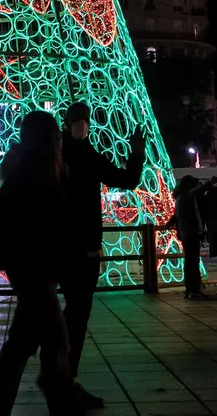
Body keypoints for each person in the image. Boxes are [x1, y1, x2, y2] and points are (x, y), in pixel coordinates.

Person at [0, 110, 75, 416]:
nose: (61, 140)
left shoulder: (37, 172)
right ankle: (60, 399)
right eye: (58, 135)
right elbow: (46, 224)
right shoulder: (36, 175)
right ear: (48, 138)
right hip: (34, 272)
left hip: (32, 271)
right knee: (56, 343)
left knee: (23, 343)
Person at [58, 100, 144, 405]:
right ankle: (62, 379)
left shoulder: (88, 155)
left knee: (75, 314)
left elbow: (127, 180)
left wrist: (136, 153)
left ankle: (64, 377)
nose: (83, 125)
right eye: (77, 120)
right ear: (66, 124)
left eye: (86, 120)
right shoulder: (59, 156)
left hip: (85, 249)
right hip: (70, 250)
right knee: (75, 314)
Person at [173, 175, 208, 300]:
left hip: (185, 233)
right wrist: (209, 183)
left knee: (189, 262)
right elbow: (199, 190)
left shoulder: (179, 199)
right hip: (192, 232)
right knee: (193, 262)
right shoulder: (188, 196)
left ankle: (190, 290)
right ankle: (194, 290)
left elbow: (175, 217)